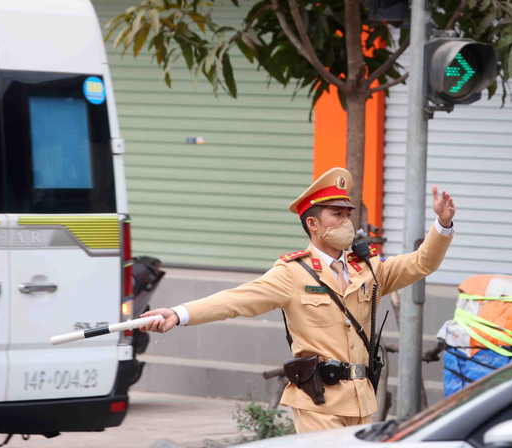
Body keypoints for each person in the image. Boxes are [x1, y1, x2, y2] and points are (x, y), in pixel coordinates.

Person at [141, 167, 455, 433]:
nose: (346, 221)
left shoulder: (367, 268)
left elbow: (421, 263)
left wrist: (442, 226)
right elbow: (237, 299)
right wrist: (178, 313)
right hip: (317, 400)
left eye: (348, 214)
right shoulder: (293, 273)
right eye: (336, 214)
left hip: (361, 398)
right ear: (313, 224)